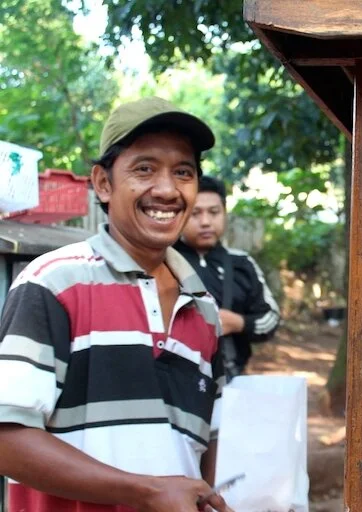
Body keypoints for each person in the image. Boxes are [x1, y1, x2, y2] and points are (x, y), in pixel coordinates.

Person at [0, 97, 231, 512]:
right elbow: (6, 439)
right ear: (103, 183)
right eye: (144, 169)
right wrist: (147, 492)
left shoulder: (204, 311)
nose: (167, 190)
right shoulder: (54, 282)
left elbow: (204, 451)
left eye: (183, 172)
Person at [175, 175, 280, 378]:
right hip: (174, 381)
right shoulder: (162, 260)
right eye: (195, 213)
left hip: (232, 379)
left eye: (214, 212)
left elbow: (271, 319)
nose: (205, 222)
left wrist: (237, 323)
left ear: (224, 213)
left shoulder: (242, 263)